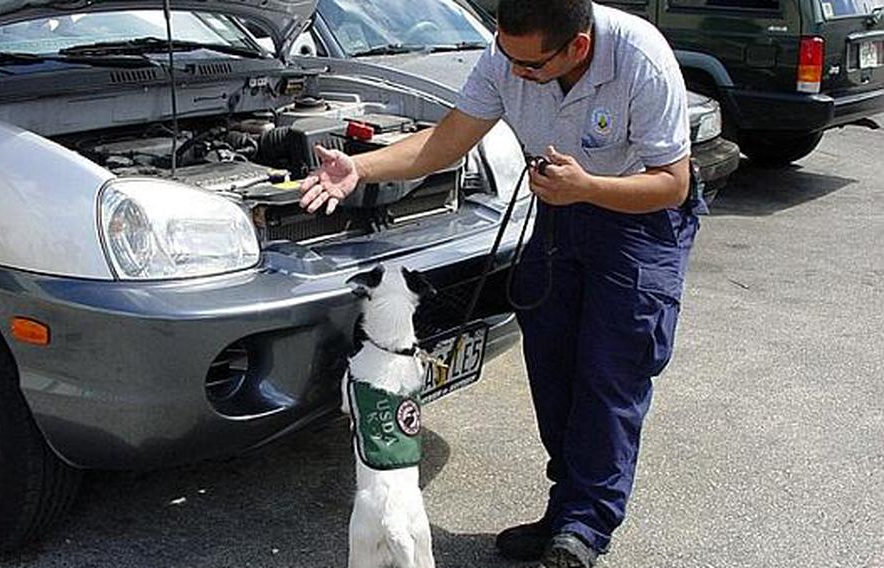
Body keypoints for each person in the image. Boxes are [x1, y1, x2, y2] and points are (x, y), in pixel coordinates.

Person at [299, 1, 699, 566]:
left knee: (610, 373)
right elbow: (449, 139)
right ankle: (566, 512)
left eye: (530, 66)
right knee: (554, 366)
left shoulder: (640, 58)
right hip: (563, 211)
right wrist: (361, 168)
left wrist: (586, 186)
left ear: (577, 48)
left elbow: (672, 184)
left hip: (638, 219)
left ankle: (586, 524)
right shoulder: (509, 55)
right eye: (507, 57)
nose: (514, 74)